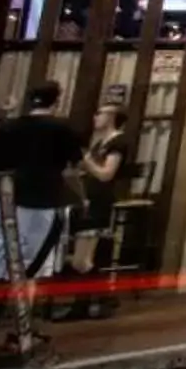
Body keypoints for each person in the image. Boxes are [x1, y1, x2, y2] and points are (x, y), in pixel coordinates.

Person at [0, 80, 85, 350]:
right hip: (40, 204)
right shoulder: (63, 130)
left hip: (0, 203)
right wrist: (81, 197)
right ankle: (18, 331)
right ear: (58, 100)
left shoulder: (6, 129)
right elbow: (70, 171)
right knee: (28, 269)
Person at [57, 106, 128, 322]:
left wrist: (86, 160)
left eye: (101, 113)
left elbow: (106, 174)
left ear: (113, 117)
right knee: (82, 258)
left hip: (98, 202)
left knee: (83, 258)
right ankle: (94, 299)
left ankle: (97, 298)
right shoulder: (100, 143)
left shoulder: (118, 143)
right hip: (86, 200)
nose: (96, 117)